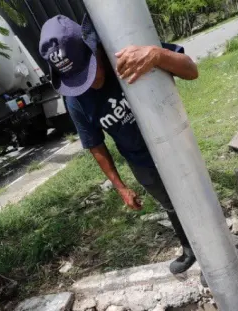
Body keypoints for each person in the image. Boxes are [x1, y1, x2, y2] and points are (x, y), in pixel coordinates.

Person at [39, 15, 199, 274]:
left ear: (95, 50)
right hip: (140, 160)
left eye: (87, 71)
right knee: (170, 204)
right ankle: (190, 248)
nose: (88, 83)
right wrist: (121, 187)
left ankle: (215, 244)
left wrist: (157, 55)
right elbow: (96, 145)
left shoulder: (129, 54)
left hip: (175, 144)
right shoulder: (76, 100)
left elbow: (191, 70)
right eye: (78, 78)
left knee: (195, 193)